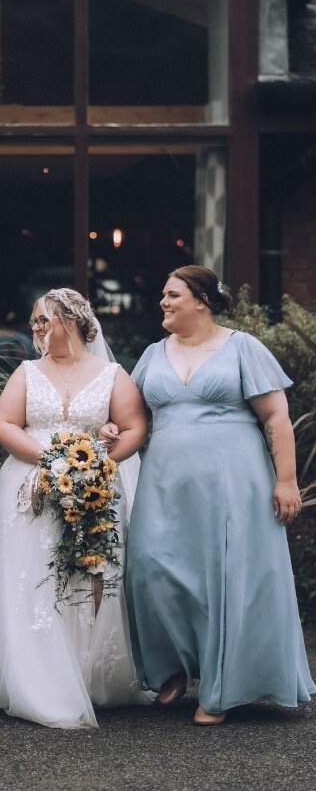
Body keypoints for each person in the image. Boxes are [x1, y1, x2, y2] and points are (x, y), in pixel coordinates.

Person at [126, 265, 316, 725]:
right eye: (163, 295)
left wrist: (286, 480)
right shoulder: (153, 354)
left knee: (225, 576)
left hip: (234, 478)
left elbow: (275, 417)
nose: (163, 303)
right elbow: (132, 417)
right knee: (149, 567)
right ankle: (170, 667)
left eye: (172, 295)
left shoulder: (241, 348)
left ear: (202, 301)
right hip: (165, 482)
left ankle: (220, 689)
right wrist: (114, 429)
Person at [0, 288, 153, 729]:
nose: (35, 328)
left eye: (42, 320)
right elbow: (4, 424)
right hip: (33, 483)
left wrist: (100, 466)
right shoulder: (27, 372)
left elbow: (134, 427)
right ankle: (37, 678)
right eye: (34, 320)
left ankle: (91, 676)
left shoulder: (112, 373)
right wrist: (50, 462)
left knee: (91, 572)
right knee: (32, 573)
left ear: (70, 322)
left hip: (93, 485)